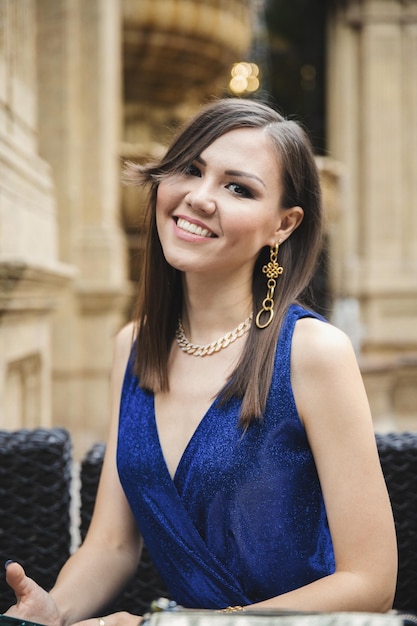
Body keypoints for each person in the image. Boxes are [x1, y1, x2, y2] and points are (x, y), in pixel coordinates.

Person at [5, 98, 397, 626]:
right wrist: (55, 608)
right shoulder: (133, 345)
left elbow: (371, 582)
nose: (199, 197)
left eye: (239, 187)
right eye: (191, 169)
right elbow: (113, 546)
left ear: (283, 225)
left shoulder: (313, 352)